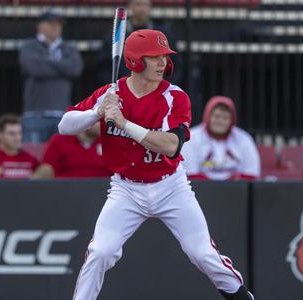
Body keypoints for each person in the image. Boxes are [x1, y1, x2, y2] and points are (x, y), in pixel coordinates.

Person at [59, 29, 253, 300]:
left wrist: (124, 123)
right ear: (136, 61)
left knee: (202, 254)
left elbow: (171, 145)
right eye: (155, 57)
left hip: (170, 186)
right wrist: (96, 112)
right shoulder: (110, 93)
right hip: (126, 189)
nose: (163, 62)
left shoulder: (175, 97)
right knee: (101, 251)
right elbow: (64, 126)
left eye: (164, 56)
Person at [19, 10, 84, 143]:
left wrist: (46, 62)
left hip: (61, 114)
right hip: (35, 115)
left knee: (61, 159)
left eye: (58, 24)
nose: (56, 27)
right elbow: (35, 69)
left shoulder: (68, 48)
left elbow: (75, 69)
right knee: (35, 157)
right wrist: (62, 67)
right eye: (51, 23)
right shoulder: (29, 46)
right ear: (40, 26)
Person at [98, 0, 180, 85]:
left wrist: (163, 88)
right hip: (123, 91)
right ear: (130, 6)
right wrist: (116, 87)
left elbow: (176, 65)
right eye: (138, 4)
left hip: (156, 92)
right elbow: (104, 66)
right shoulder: (117, 34)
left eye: (145, 5)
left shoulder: (163, 34)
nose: (142, 9)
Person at [181, 96, 260, 180]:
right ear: (208, 117)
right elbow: (190, 175)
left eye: (225, 118)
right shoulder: (192, 137)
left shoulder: (244, 138)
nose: (220, 121)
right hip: (200, 191)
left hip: (237, 191)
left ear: (232, 120)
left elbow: (252, 174)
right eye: (217, 116)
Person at [32, 122, 111, 179]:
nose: (103, 123)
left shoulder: (110, 142)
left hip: (102, 194)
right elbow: (47, 170)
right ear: (86, 121)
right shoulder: (59, 140)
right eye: (98, 121)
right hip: (65, 193)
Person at [0, 114, 39, 179]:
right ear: (0, 135)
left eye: (19, 133)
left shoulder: (31, 160)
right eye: (12, 134)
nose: (18, 138)